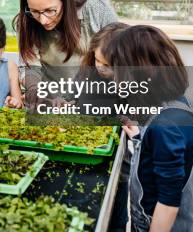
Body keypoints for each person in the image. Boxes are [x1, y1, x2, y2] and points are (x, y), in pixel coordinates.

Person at [105, 25, 193, 232]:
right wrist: (141, 139)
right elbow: (170, 158)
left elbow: (168, 204)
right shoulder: (181, 105)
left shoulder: (164, 127)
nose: (114, 79)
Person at [14, 0, 118, 109]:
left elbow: (122, 57)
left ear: (66, 0)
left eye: (50, 10)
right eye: (34, 11)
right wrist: (35, 90)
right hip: (53, 103)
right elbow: (30, 67)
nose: (43, 20)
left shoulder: (95, 9)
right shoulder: (26, 22)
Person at [80, 23, 131, 232]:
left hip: (119, 155)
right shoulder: (90, 70)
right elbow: (78, 96)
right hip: (88, 151)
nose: (100, 67)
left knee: (116, 209)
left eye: (106, 64)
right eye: (97, 59)